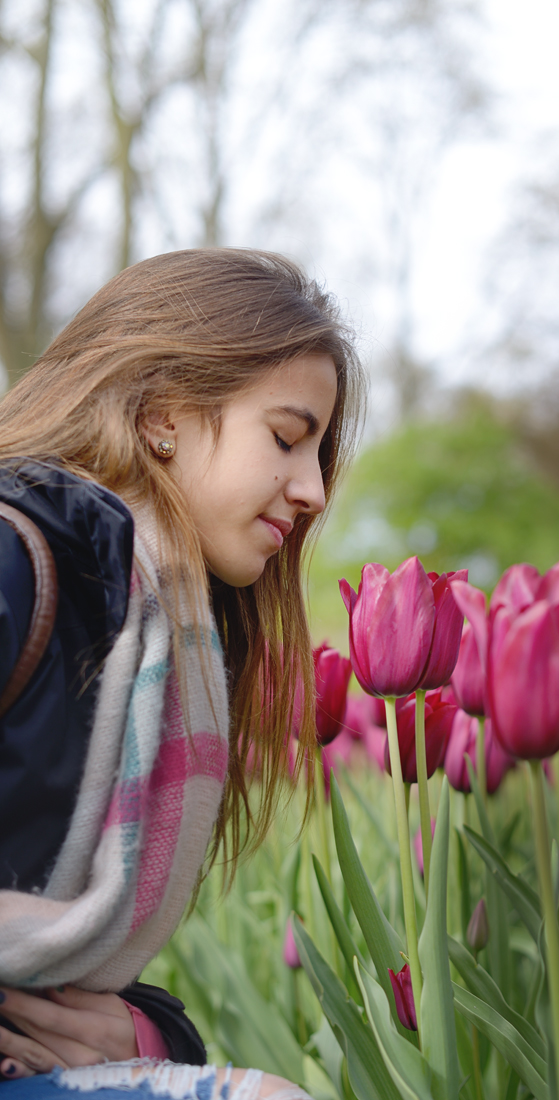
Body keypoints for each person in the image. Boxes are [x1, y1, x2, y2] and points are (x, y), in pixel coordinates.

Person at [0, 249, 365, 1100]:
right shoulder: (21, 564)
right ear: (165, 415)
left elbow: (69, 960)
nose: (312, 491)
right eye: (285, 438)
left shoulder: (165, 632)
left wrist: (144, 1032)